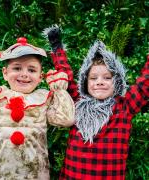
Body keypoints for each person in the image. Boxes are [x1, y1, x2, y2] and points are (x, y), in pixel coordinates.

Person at [44, 26, 149, 180]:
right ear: (85, 83)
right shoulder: (77, 102)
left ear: (117, 82)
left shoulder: (125, 106)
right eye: (93, 78)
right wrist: (57, 48)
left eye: (107, 78)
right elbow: (65, 74)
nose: (100, 82)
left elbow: (144, 84)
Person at [0, 37, 75, 180]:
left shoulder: (45, 99)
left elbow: (66, 119)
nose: (24, 74)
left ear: (40, 77)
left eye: (31, 70)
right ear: (5, 73)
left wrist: (59, 90)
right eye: (17, 68)